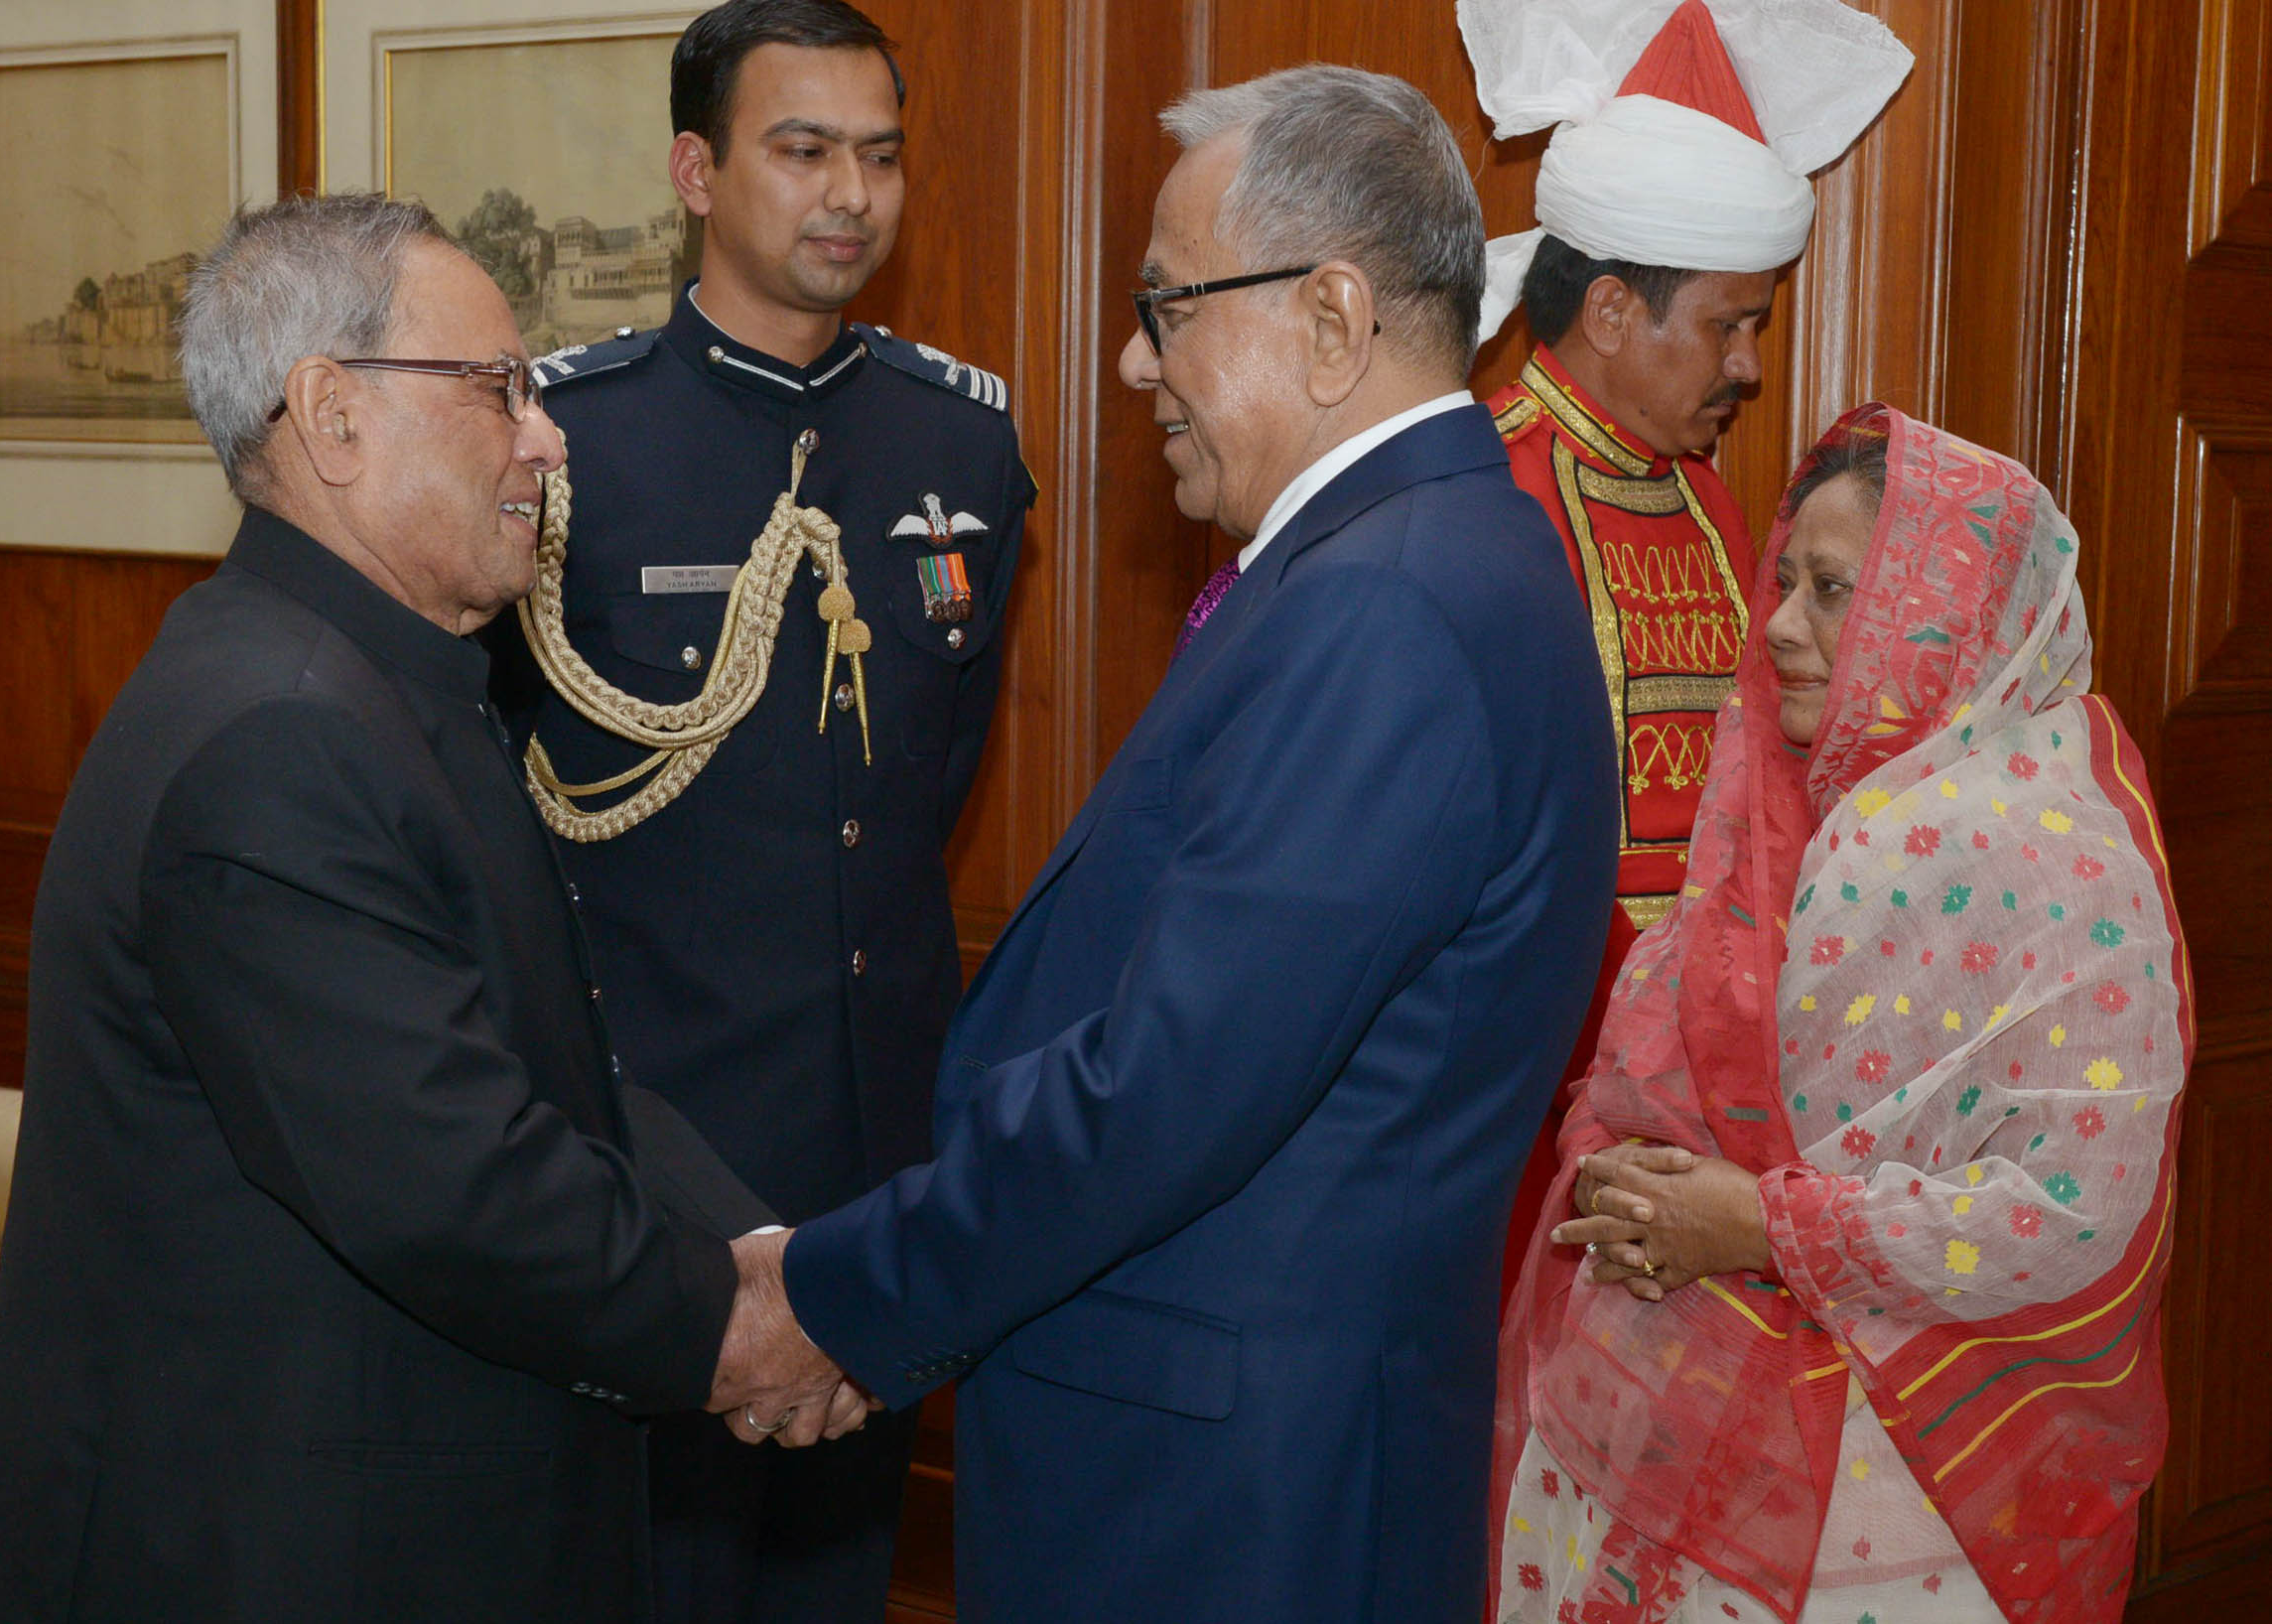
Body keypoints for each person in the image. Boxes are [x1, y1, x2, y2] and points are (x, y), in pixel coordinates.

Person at [708, 66, 1618, 1622]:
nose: (1134, 361)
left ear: (1328, 317)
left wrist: (838, 1298)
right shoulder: (1417, 557)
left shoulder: (1386, 605)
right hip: (1240, 1454)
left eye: (1167, 306)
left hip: (1231, 1504)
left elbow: (1163, 1089)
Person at [0, 193, 781, 1623]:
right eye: (499, 388)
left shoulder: (366, 680)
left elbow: (544, 1075)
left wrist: (768, 1259)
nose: (548, 438)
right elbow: (463, 1187)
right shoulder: (282, 734)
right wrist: (741, 1331)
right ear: (332, 418)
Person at [486, 1, 1032, 1616]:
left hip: (877, 1160)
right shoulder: (568, 442)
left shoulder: (960, 442)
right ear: (694, 171)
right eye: (801, 151)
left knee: (832, 1576)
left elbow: (928, 778)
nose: (849, 194)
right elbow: (497, 810)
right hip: (644, 1158)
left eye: (879, 155)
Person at [1493, 404, 2191, 1622]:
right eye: (1785, 582)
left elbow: (2071, 1210)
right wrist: (1626, 1179)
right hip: (1665, 1412)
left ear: (1951, 608)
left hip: (1908, 1489)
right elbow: (1643, 1056)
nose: (1778, 626)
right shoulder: (1773, 806)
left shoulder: (2064, 866)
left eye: (1830, 591)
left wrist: (1757, 1226)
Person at [1453, 0, 1913, 1281]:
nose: (1751, 367)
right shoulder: (1481, 495)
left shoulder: (1711, 500)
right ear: (1610, 309)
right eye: (1728, 326)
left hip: (1700, 1101)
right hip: (1518, 1096)